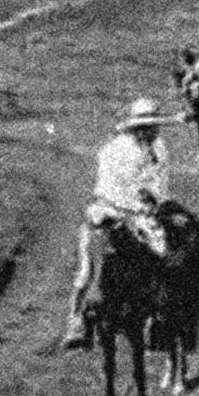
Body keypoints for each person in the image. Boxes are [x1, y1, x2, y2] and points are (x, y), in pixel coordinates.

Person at [60, 98, 179, 350]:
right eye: (147, 126)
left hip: (143, 214)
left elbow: (161, 183)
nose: (152, 131)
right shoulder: (114, 150)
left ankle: (158, 317)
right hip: (110, 210)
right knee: (88, 268)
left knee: (163, 253)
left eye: (155, 126)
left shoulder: (159, 148)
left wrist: (154, 201)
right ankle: (76, 319)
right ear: (135, 127)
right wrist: (134, 202)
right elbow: (110, 185)